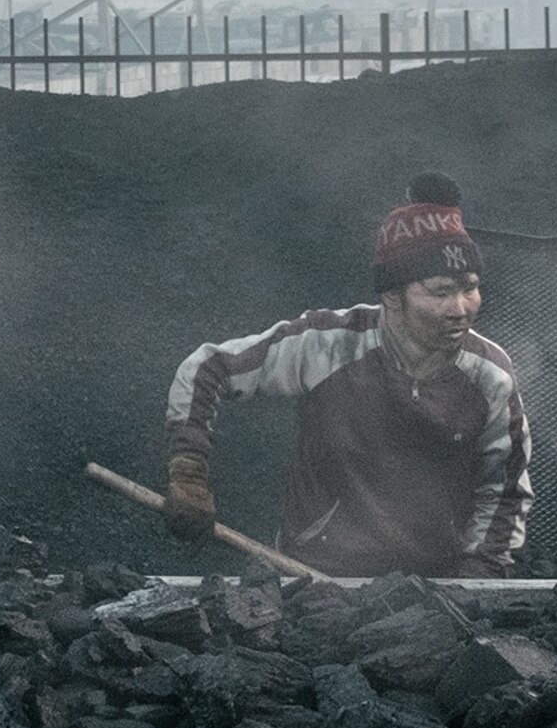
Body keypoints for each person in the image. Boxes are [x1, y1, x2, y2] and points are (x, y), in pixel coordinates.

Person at [159, 172, 533, 577]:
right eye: (441, 291)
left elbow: (505, 490)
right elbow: (207, 368)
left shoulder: (490, 376)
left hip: (428, 593)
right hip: (310, 576)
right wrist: (189, 472)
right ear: (392, 295)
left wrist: (479, 579)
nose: (461, 307)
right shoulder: (327, 344)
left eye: (470, 288)